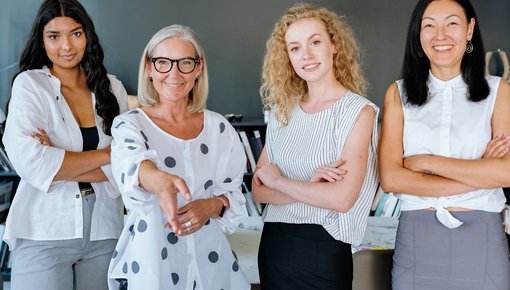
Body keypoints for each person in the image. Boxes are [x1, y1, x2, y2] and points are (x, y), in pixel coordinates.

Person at [378, 0, 510, 289]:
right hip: (416, 239)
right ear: (418, 34)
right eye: (429, 25)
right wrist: (480, 173)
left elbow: (506, 173)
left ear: (469, 29)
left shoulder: (499, 92)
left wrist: (426, 163)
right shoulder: (397, 94)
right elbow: (390, 179)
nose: (440, 35)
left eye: (451, 23)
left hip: (482, 238)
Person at [107, 24, 250, 290]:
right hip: (153, 265)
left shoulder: (219, 128)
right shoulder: (129, 125)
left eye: (185, 62)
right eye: (163, 62)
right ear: (149, 68)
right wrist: (160, 181)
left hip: (212, 264)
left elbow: (233, 194)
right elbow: (133, 164)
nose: (174, 73)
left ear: (198, 69)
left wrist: (210, 206)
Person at [1, 0, 128, 289]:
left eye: (76, 33)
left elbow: (127, 167)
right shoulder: (30, 85)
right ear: (41, 41)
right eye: (54, 36)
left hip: (104, 229)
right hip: (43, 229)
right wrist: (108, 155)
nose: (66, 46)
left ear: (88, 36)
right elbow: (32, 164)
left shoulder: (112, 88)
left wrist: (59, 160)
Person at [253, 4, 379, 289]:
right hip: (275, 246)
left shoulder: (358, 112)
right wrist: (311, 187)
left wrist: (280, 182)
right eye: (295, 48)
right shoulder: (281, 112)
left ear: (334, 46)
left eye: (315, 42)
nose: (306, 55)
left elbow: (341, 199)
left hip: (324, 250)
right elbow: (259, 190)